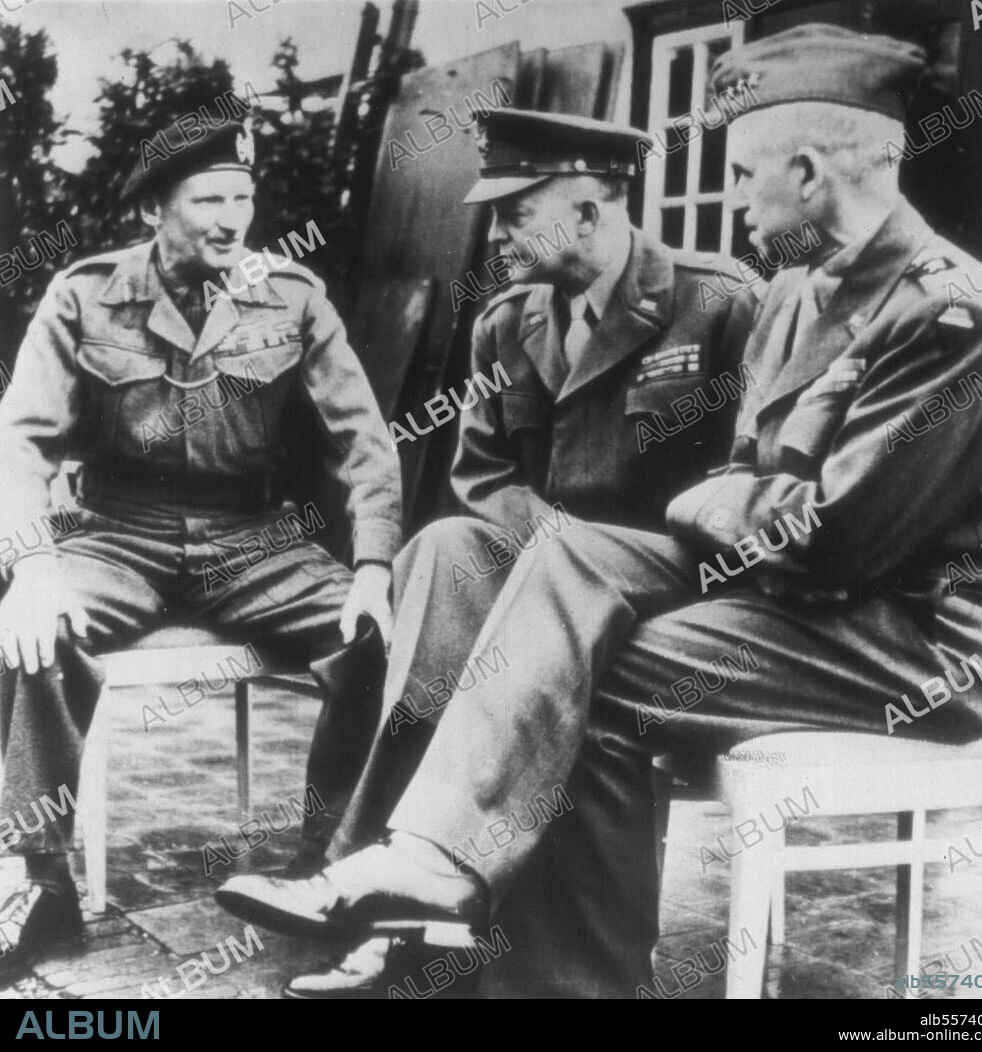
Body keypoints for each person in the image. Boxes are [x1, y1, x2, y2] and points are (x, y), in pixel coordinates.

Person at [222, 19, 982, 997]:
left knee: (576, 664)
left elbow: (844, 538)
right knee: (550, 586)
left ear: (809, 173)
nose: (732, 200)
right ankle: (441, 872)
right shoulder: (792, 296)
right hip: (796, 596)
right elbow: (757, 491)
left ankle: (533, 949)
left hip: (921, 642)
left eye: (742, 176)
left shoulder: (945, 308)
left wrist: (728, 498)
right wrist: (734, 500)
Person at [217, 106, 760, 998]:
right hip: (549, 579)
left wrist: (577, 554)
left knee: (544, 592)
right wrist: (549, 545)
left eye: (515, 211)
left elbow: (753, 486)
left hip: (678, 591)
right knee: (441, 550)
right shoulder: (506, 323)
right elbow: (483, 474)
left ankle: (388, 884)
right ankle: (388, 878)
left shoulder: (718, 302)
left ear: (589, 208)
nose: (496, 233)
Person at [0, 115, 402, 980]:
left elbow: (363, 443)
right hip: (117, 534)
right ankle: (42, 882)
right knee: (35, 634)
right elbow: (20, 439)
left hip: (254, 539)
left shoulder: (292, 297)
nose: (231, 219)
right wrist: (31, 565)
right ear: (154, 209)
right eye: (208, 199)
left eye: (243, 198)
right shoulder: (84, 295)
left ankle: (334, 867)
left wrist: (373, 565)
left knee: (373, 637)